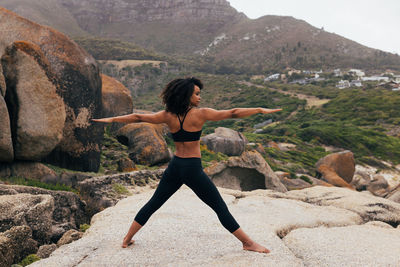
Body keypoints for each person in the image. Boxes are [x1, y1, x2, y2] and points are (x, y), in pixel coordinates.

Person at [92, 77, 282, 253]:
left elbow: (137, 118)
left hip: (175, 166)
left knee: (153, 203)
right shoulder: (201, 114)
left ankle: (126, 239)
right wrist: (259, 110)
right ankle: (247, 243)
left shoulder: (167, 115)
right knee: (219, 207)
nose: (200, 97)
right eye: (196, 94)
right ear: (187, 96)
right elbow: (232, 113)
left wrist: (111, 119)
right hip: (192, 168)